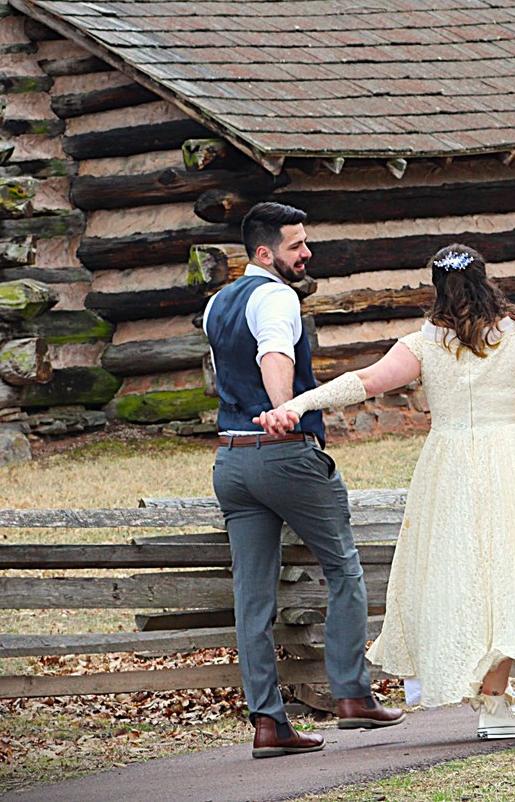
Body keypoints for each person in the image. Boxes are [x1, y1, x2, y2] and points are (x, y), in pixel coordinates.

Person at [255, 242, 515, 740]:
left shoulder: (424, 343)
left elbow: (364, 381)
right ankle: (495, 703)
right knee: (509, 571)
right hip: (510, 461)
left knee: (466, 575)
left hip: (449, 464)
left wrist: (299, 404)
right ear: (484, 281)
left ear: (437, 287)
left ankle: (492, 695)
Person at [203, 201, 404, 759]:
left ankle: (268, 723)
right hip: (284, 454)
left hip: (232, 461)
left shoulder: (217, 302)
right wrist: (283, 409)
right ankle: (352, 696)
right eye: (296, 245)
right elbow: (272, 354)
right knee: (343, 567)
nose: (306, 252)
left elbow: (225, 372)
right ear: (264, 253)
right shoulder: (276, 296)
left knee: (251, 595)